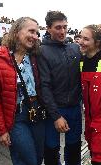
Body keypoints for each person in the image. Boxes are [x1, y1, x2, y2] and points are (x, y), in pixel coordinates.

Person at [0, 17, 45, 165]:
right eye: (31, 31)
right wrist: (1, 130)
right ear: (17, 32)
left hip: (38, 114)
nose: (35, 36)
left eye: (37, 33)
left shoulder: (36, 57)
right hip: (16, 118)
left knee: (36, 156)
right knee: (29, 159)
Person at [37, 11, 82, 165]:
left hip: (75, 108)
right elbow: (44, 86)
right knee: (51, 148)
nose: (62, 31)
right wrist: (56, 116)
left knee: (74, 147)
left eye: (65, 27)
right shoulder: (42, 51)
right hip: (54, 110)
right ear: (48, 28)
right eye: (58, 27)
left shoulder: (75, 48)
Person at [79, 24, 101, 165]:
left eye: (86, 39)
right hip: (88, 121)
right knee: (93, 152)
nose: (81, 41)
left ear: (97, 43)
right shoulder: (82, 60)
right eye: (80, 37)